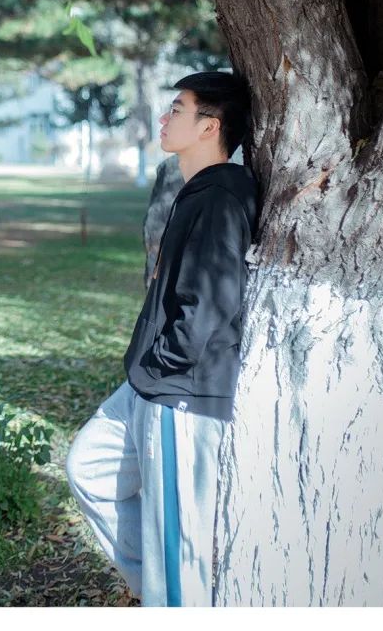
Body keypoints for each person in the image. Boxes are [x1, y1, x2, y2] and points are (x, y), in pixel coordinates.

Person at [65, 71, 260, 607]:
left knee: (179, 545)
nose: (164, 118)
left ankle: (171, 602)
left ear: (209, 127)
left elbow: (211, 301)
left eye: (177, 109)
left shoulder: (220, 197)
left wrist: (163, 363)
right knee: (88, 467)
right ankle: (154, 589)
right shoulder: (199, 192)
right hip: (151, 383)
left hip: (179, 392)